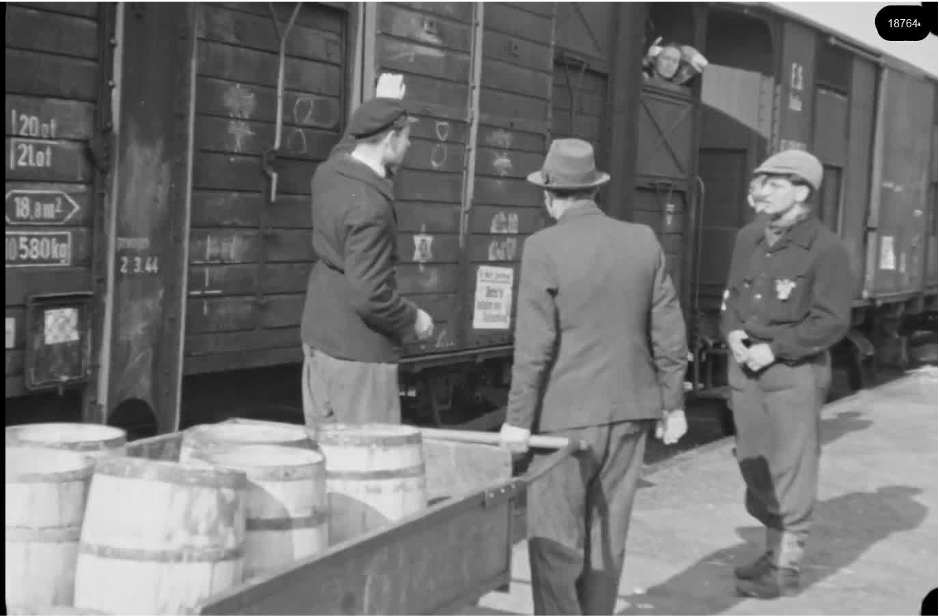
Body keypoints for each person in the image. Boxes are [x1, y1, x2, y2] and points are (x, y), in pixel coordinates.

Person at [498, 138, 690, 616]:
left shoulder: (544, 246)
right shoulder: (643, 240)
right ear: (595, 190)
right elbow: (669, 329)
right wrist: (674, 404)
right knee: (608, 538)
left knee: (555, 541)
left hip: (563, 420)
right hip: (629, 412)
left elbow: (534, 345)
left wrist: (518, 419)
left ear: (549, 195)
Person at [720, 149, 853, 599]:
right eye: (759, 182)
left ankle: (786, 568)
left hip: (793, 372)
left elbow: (832, 321)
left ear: (802, 192)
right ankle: (772, 548)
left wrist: (774, 350)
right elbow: (732, 298)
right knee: (753, 461)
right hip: (747, 372)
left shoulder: (827, 249)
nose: (760, 192)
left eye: (773, 184)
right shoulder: (748, 238)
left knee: (791, 466)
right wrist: (733, 333)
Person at [300, 93, 435, 427]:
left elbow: (347, 146)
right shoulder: (370, 207)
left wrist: (380, 102)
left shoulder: (329, 173)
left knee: (325, 459)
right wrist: (414, 319)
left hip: (319, 341)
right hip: (359, 357)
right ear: (389, 139)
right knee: (367, 463)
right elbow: (370, 295)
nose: (408, 146)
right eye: (406, 138)